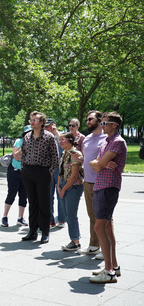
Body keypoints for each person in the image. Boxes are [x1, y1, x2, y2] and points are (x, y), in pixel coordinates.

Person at [89, 112, 127, 283]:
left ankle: (109, 271)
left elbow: (98, 164)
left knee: (99, 227)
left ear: (114, 125)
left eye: (105, 123)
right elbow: (94, 164)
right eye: (101, 123)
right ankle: (114, 266)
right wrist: (100, 163)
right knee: (107, 228)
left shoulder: (117, 142)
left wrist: (99, 163)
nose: (102, 126)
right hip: (101, 186)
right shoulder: (106, 141)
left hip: (108, 188)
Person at [21, 111, 59, 244]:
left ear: (42, 123)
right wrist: (23, 170)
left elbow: (55, 157)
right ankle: (32, 231)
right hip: (28, 171)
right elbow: (23, 154)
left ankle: (45, 232)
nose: (32, 122)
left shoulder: (49, 137)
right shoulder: (26, 137)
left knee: (44, 203)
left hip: (43, 172)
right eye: (31, 120)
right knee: (32, 203)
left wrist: (50, 172)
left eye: (35, 120)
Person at [73, 110, 107, 256]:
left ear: (100, 121)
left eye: (91, 119)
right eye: (87, 119)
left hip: (102, 182)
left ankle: (106, 247)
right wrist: (80, 158)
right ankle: (94, 244)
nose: (87, 122)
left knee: (104, 217)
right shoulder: (86, 139)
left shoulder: (106, 138)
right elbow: (86, 158)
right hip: (88, 181)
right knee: (92, 215)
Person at [57, 132, 84, 251]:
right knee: (67, 215)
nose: (60, 142)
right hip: (63, 185)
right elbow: (60, 171)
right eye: (59, 140)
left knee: (71, 215)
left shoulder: (75, 154)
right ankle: (73, 240)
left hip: (73, 186)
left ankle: (75, 242)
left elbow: (74, 176)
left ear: (70, 140)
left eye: (63, 139)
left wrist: (63, 189)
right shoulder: (64, 153)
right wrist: (58, 185)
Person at [1, 125, 31, 227]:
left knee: (24, 195)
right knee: (12, 193)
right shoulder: (19, 141)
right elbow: (16, 155)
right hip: (14, 170)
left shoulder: (34, 143)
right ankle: (4, 216)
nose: (29, 135)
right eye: (27, 133)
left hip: (26, 172)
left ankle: (20, 218)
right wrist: (25, 147)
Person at [45, 118, 66, 229]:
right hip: (48, 170)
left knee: (60, 195)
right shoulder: (44, 137)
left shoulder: (61, 137)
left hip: (59, 170)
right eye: (46, 126)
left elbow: (65, 148)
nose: (47, 129)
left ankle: (62, 219)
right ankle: (50, 220)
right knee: (48, 196)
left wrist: (56, 133)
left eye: (49, 126)